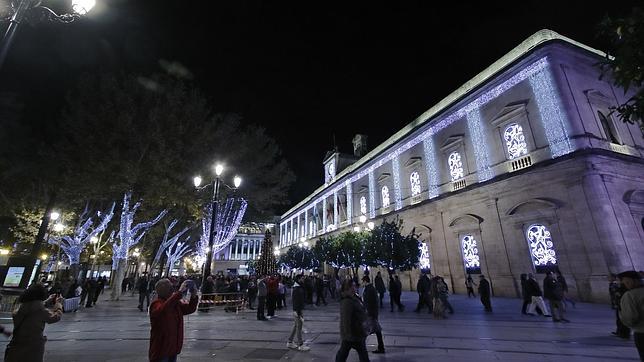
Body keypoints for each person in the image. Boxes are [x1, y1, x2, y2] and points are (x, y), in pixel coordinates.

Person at [4, 283, 63, 362]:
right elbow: (55, 318)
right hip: (34, 346)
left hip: (17, 344)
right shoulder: (41, 311)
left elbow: (33, 306)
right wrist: (58, 305)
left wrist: (47, 300)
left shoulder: (20, 309)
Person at [148, 278, 198, 362]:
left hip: (172, 348)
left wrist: (193, 296)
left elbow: (189, 309)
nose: (172, 290)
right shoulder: (156, 304)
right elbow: (163, 310)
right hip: (161, 349)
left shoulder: (175, 304)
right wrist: (179, 293)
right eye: (170, 288)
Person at [335, 278, 370, 362]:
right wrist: (348, 334)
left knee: (344, 353)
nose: (355, 288)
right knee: (344, 353)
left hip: (357, 332)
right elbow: (346, 319)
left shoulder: (354, 297)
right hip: (352, 333)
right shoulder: (347, 301)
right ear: (348, 288)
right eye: (353, 286)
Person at [617, 271, 644, 360]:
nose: (625, 284)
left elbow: (630, 318)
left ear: (633, 281)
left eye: (626, 282)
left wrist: (621, 315)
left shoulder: (630, 295)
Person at [286, 275, 310, 351]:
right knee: (299, 327)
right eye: (302, 278)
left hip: (298, 309)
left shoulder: (299, 287)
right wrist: (298, 311)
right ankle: (301, 344)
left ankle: (290, 341)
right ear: (299, 279)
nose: (303, 279)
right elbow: (295, 300)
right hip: (297, 310)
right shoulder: (296, 288)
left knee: (296, 326)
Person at [362, 275, 385, 354]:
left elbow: (368, 302)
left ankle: (360, 347)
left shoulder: (369, 289)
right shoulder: (371, 288)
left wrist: (368, 312)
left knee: (365, 330)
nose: (362, 283)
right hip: (372, 313)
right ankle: (381, 347)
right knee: (376, 331)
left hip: (370, 314)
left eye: (363, 281)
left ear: (365, 281)